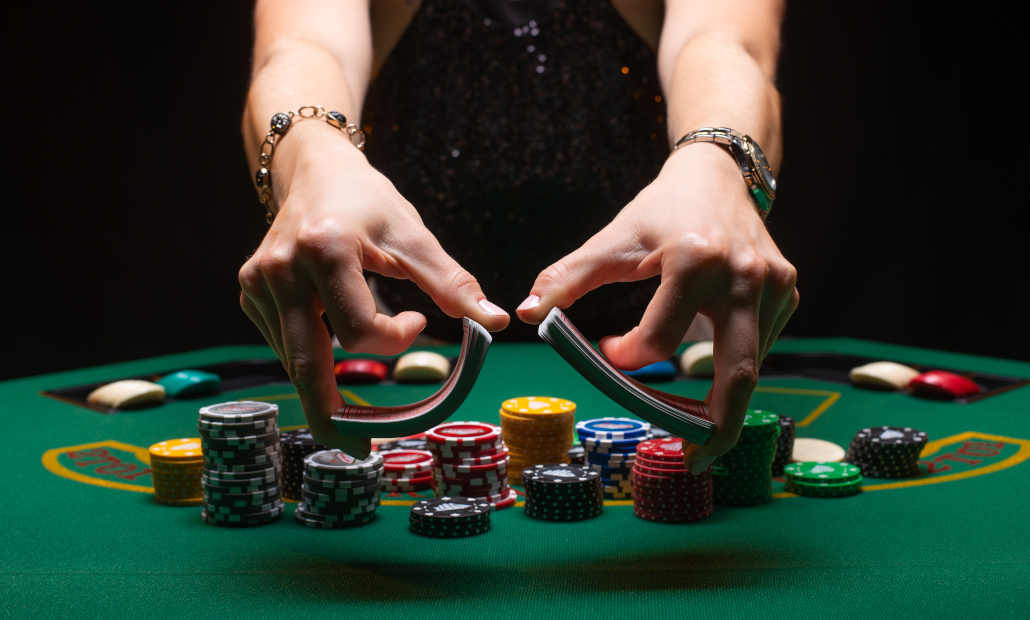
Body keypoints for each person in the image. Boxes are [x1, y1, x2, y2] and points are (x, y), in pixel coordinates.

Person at [237, 0, 798, 474]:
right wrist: (312, 157)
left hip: (670, 335)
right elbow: (302, 48)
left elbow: (727, 41)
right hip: (397, 339)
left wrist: (717, 161)